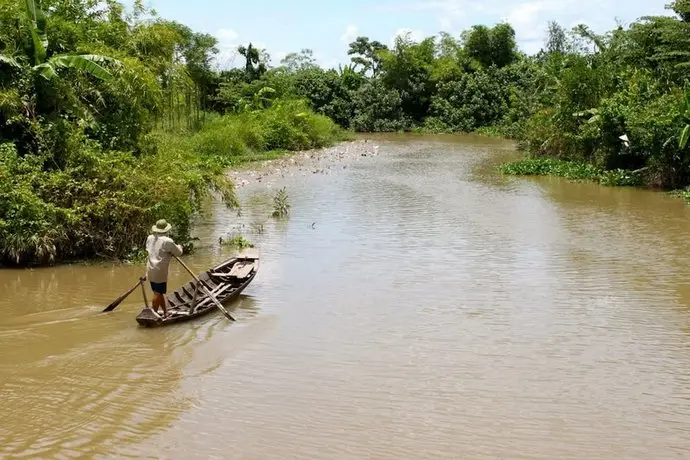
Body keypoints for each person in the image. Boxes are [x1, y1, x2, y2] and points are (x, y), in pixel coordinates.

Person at [145, 219, 183, 318]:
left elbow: (153, 250)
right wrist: (180, 247)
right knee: (158, 293)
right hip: (160, 270)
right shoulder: (168, 241)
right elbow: (178, 253)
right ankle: (153, 314)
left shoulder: (150, 238)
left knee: (160, 292)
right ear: (166, 230)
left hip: (150, 268)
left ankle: (166, 312)